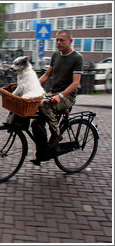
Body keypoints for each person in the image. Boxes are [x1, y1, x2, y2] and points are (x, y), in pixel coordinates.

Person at [31, 29, 84, 165]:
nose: (58, 43)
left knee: (44, 104)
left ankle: (56, 134)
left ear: (70, 41)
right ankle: (42, 153)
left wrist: (60, 96)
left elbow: (76, 83)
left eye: (62, 40)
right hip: (53, 93)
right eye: (57, 40)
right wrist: (31, 85)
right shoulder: (55, 55)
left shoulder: (77, 58)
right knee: (35, 122)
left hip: (67, 97)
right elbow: (47, 75)